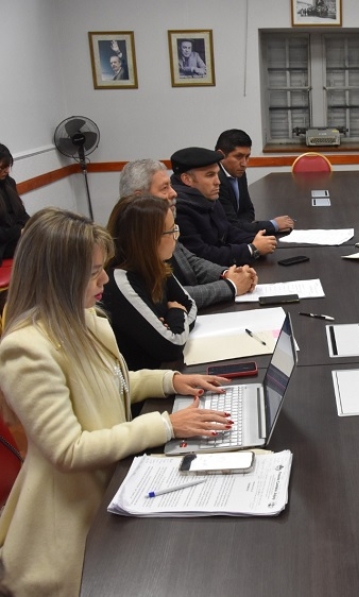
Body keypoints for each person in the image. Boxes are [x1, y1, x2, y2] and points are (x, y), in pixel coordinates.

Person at [0, 207, 230, 597]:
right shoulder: (26, 350)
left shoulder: (86, 317)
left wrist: (170, 380)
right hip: (73, 517)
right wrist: (165, 425)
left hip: (115, 480)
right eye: (94, 272)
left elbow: (113, 384)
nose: (105, 278)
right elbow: (69, 450)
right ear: (60, 277)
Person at [119, 158, 257, 308]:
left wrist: (226, 273)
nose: (174, 193)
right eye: (164, 188)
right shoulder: (129, 242)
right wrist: (231, 286)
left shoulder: (163, 226)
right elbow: (167, 297)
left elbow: (191, 261)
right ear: (139, 197)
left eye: (171, 185)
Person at [101, 196, 197, 370]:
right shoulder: (119, 281)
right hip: (143, 380)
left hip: (162, 370)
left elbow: (190, 305)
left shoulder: (156, 265)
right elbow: (171, 345)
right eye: (171, 230)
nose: (176, 236)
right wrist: (176, 312)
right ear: (148, 240)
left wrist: (172, 323)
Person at [171, 147, 276, 266]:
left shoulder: (206, 196)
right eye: (210, 175)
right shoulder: (178, 210)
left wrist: (257, 239)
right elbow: (202, 254)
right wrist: (251, 249)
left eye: (217, 174)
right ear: (187, 179)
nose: (218, 182)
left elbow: (228, 230)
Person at [215, 129, 294, 235]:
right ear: (220, 155)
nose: (244, 164)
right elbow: (231, 226)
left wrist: (244, 226)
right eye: (238, 156)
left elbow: (248, 210)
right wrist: (273, 225)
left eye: (247, 157)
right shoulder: (215, 180)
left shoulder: (239, 172)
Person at [0, 144, 30, 259]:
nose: (7, 171)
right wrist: (19, 231)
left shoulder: (9, 182)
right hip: (3, 246)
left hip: (16, 236)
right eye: (3, 167)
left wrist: (31, 225)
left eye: (8, 166)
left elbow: (22, 214)